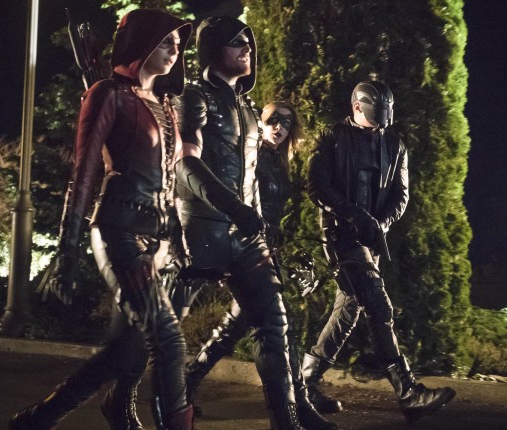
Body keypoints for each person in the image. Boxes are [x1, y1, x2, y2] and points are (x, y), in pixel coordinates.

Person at [8, 9, 194, 430]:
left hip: (159, 240)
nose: (175, 50)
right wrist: (66, 253)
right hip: (119, 231)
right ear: (143, 43)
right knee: (169, 341)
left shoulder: (166, 105)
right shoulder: (107, 94)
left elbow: (171, 182)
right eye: (166, 41)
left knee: (126, 352)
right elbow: (85, 173)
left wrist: (179, 242)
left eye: (178, 44)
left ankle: (37, 420)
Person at [174, 17, 304, 430]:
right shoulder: (193, 97)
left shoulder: (248, 107)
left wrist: (257, 222)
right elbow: (185, 163)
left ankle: (288, 421)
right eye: (236, 42)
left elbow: (251, 176)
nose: (247, 48)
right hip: (200, 231)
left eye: (249, 41)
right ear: (213, 49)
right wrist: (235, 208)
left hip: (245, 235)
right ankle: (144, 402)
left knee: (273, 321)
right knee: (158, 331)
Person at [302, 80, 456, 424]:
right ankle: (408, 393)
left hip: (370, 240)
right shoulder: (332, 137)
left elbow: (401, 196)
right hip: (339, 235)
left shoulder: (394, 143)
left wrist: (380, 224)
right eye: (375, 114)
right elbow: (317, 187)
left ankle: (304, 383)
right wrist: (355, 216)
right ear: (357, 106)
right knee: (378, 305)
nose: (381, 122)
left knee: (349, 308)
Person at [175, 102, 336, 430]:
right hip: (247, 245)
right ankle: (298, 406)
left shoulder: (279, 160)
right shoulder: (254, 156)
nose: (280, 128)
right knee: (277, 325)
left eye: (286, 123)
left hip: (263, 247)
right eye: (273, 120)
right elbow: (242, 199)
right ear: (260, 122)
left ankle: (187, 384)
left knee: (239, 327)